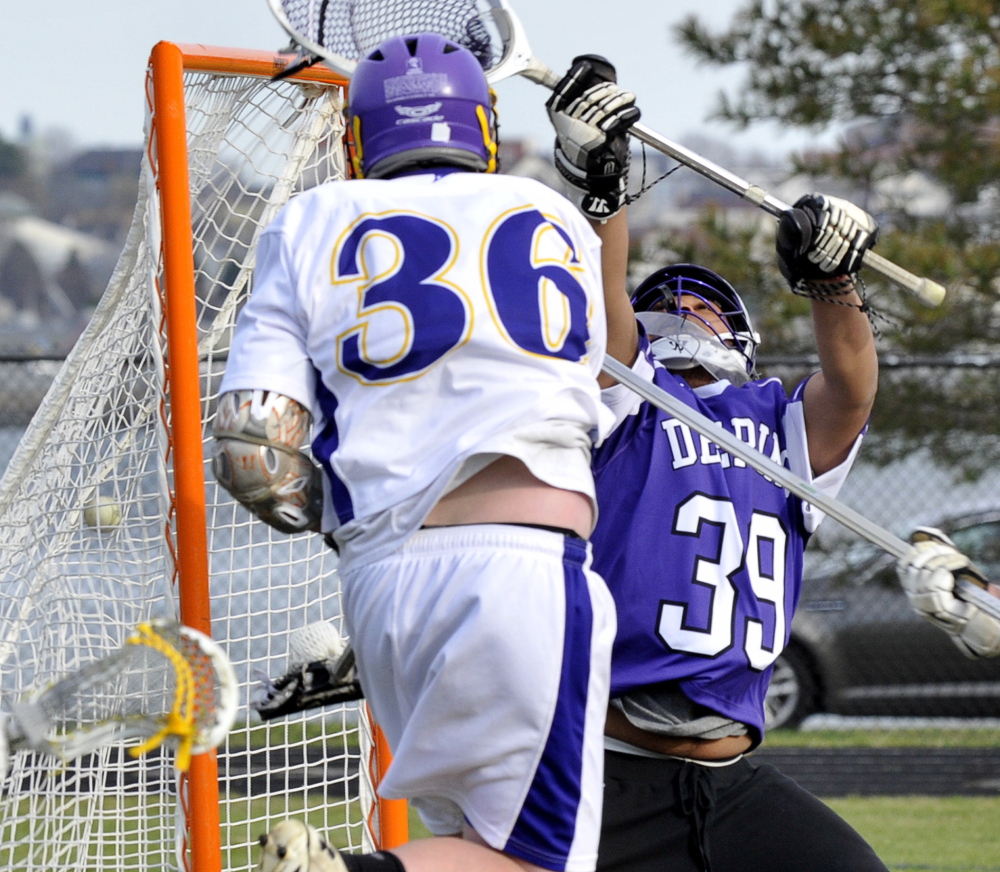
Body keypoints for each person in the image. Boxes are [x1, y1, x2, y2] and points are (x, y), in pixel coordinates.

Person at [213, 33, 640, 872]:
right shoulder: (549, 213)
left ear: (359, 140)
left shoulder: (305, 220)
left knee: (468, 850)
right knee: (532, 861)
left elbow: (253, 446)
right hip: (523, 565)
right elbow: (606, 374)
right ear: (482, 129)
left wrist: (328, 514)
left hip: (380, 584)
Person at [545, 56, 890, 872]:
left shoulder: (774, 420)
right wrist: (602, 188)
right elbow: (604, 323)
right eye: (671, 300)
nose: (688, 310)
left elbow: (851, 389)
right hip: (615, 763)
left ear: (741, 342)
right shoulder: (627, 401)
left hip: (733, 777)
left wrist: (832, 279)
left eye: (709, 304)